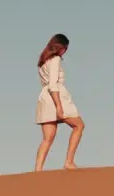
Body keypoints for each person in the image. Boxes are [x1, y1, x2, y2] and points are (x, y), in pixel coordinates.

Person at [34, 33, 85, 171]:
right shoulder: (55, 59)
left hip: (45, 97)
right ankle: (69, 161)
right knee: (79, 125)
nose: (65, 51)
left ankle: (37, 171)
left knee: (47, 138)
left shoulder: (43, 60)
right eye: (65, 48)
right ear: (60, 47)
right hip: (56, 96)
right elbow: (53, 84)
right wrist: (58, 106)